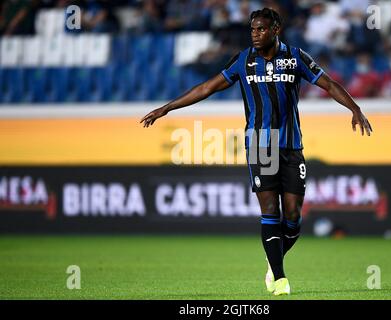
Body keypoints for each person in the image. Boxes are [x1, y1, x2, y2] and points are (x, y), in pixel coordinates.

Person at [140, 7, 373, 296]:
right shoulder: (243, 61)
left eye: (261, 29)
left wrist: (355, 107)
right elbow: (206, 88)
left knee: (294, 217)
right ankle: (279, 278)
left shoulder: (296, 57)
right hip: (261, 146)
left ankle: (273, 257)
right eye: (252, 29)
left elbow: (328, 84)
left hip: (291, 146)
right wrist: (167, 108)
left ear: (276, 30)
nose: (255, 34)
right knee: (270, 210)